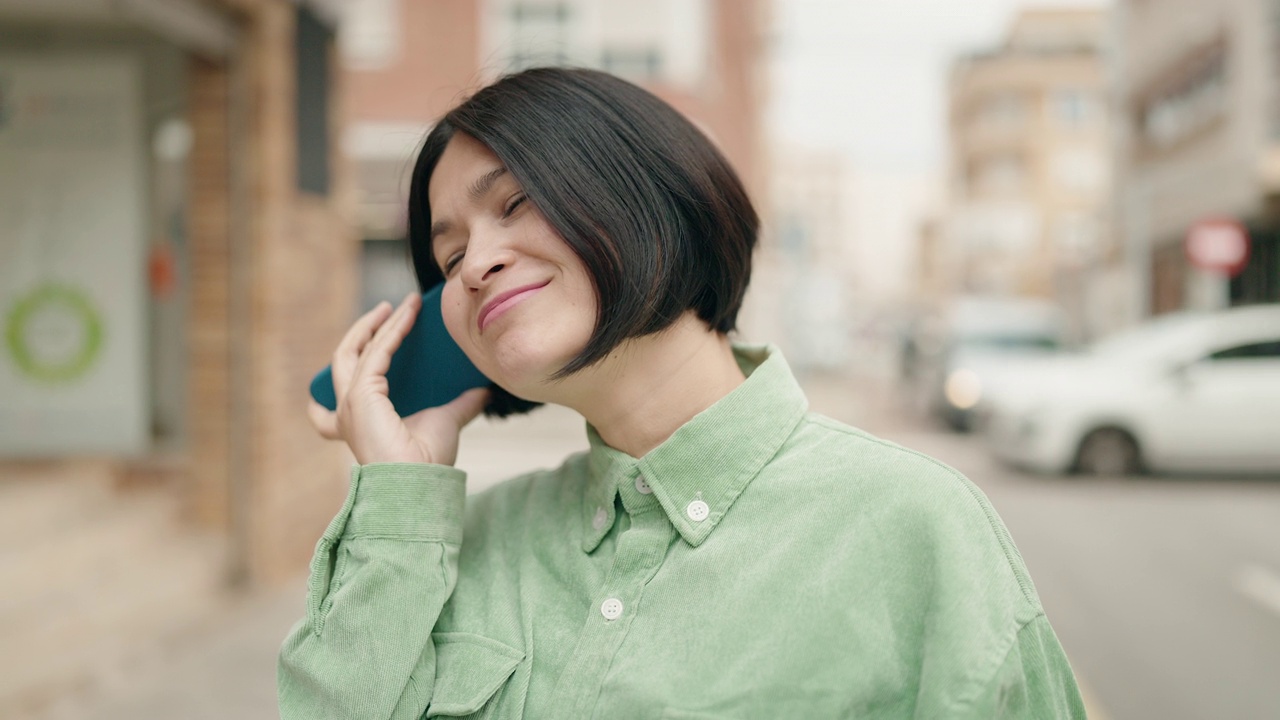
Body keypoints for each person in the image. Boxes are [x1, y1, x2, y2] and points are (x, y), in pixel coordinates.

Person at [279, 67, 1085, 720]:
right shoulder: (459, 543)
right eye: (448, 259)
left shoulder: (914, 527)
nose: (476, 264)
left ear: (651, 198)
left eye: (516, 203)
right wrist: (400, 495)